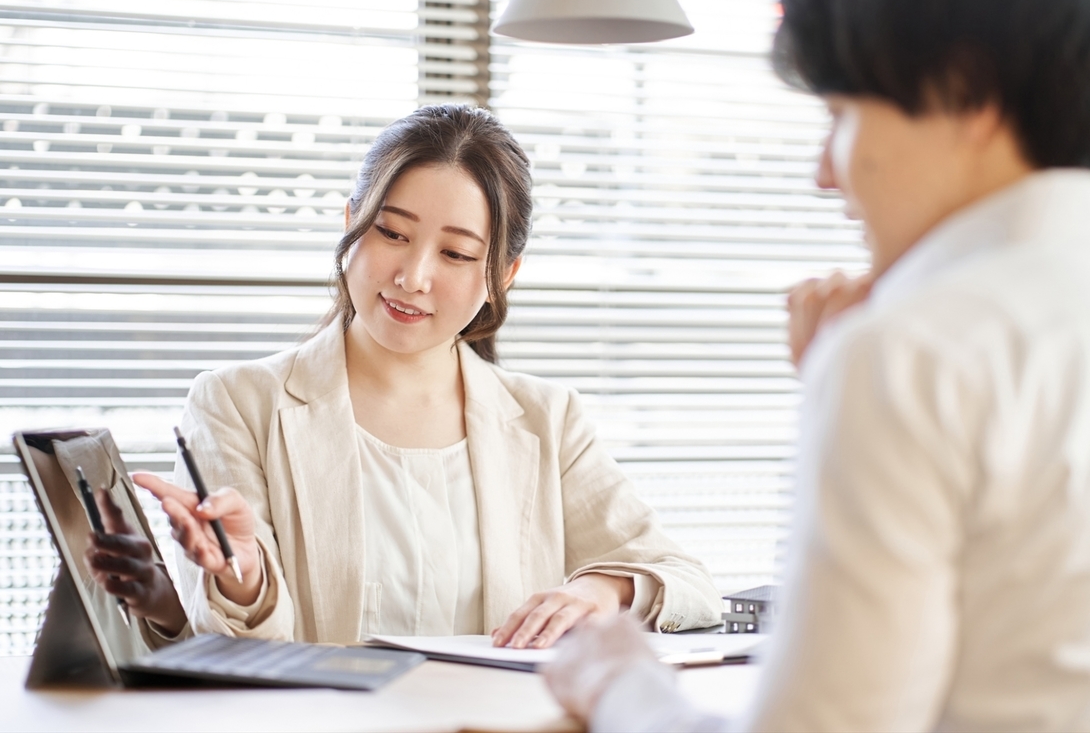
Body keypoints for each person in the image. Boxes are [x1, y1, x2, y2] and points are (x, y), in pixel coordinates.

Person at [543, 0, 1090, 730]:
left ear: (964, 91)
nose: (824, 173)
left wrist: (618, 683)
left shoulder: (915, 353)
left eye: (841, 116)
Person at [86, 104, 721, 647]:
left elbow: (690, 584)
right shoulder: (238, 403)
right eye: (392, 233)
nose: (412, 277)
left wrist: (601, 588)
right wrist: (243, 578)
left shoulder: (546, 419)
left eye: (456, 253)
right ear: (351, 224)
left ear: (502, 275)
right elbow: (243, 650)